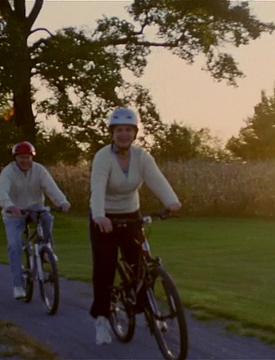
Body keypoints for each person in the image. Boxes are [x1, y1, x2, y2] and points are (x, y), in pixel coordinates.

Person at [88, 107, 182, 345]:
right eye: (119, 130)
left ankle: (148, 311)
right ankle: (101, 320)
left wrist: (171, 201)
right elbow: (97, 189)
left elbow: (156, 179)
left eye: (128, 130)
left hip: (131, 214)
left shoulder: (142, 157)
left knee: (140, 264)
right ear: (112, 132)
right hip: (105, 217)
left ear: (135, 132)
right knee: (105, 267)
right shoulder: (102, 157)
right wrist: (99, 216)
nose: (123, 134)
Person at [0, 141, 71, 300]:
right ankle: (18, 285)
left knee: (47, 216)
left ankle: (47, 248)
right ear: (15, 158)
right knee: (14, 245)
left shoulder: (39, 170)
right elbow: (2, 191)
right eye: (21, 157)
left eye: (28, 157)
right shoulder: (8, 172)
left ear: (32, 157)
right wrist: (10, 206)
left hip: (35, 208)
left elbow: (51, 187)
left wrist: (62, 202)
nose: (25, 160)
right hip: (14, 213)